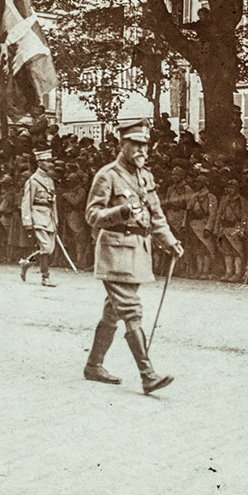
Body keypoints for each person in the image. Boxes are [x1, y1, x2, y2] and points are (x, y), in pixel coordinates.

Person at [82, 120, 183, 394]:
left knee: (113, 311)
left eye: (145, 145)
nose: (142, 150)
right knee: (132, 310)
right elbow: (92, 215)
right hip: (114, 250)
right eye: (136, 144)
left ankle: (94, 365)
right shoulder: (108, 175)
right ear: (122, 144)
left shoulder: (144, 177)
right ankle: (147, 374)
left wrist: (170, 241)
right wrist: (121, 212)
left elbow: (156, 214)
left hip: (139, 251)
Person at [19, 150, 60, 288]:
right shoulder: (33, 180)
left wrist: (56, 218)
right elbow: (26, 202)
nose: (50, 164)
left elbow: (53, 201)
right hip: (37, 215)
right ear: (40, 163)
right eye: (47, 161)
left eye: (50, 161)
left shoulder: (50, 180)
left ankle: (26, 263)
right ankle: (45, 277)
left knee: (49, 248)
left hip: (49, 216)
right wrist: (27, 221)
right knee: (46, 247)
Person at [215, 179, 248, 282]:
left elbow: (245, 216)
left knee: (237, 252)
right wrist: (217, 228)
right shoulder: (224, 200)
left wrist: (243, 230)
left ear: (237, 189)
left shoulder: (242, 201)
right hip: (225, 228)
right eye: (228, 187)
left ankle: (237, 274)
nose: (230, 190)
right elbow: (219, 214)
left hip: (236, 228)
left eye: (232, 187)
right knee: (227, 252)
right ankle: (228, 273)